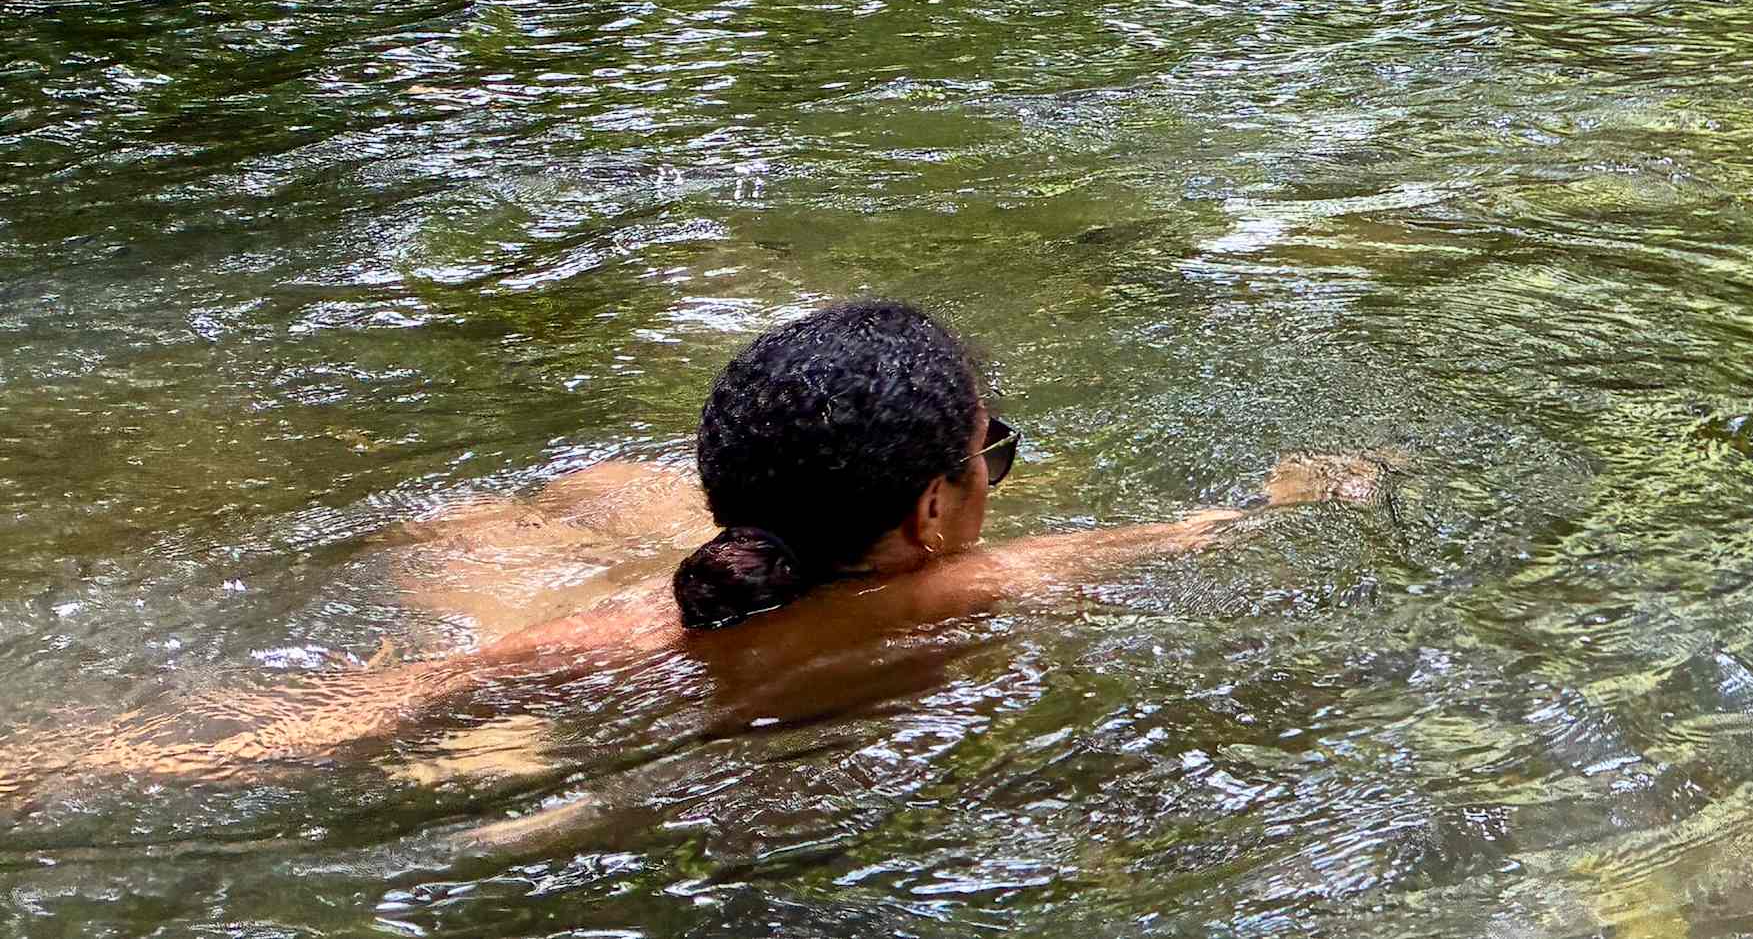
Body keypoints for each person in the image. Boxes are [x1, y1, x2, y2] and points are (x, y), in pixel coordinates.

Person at [10, 300, 1384, 790]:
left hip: (616, 693)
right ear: (929, 514)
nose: (997, 478)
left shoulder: (635, 635)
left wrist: (68, 760)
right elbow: (1175, 538)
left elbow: (348, 712)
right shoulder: (978, 584)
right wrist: (1304, 493)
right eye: (993, 452)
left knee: (516, 512)